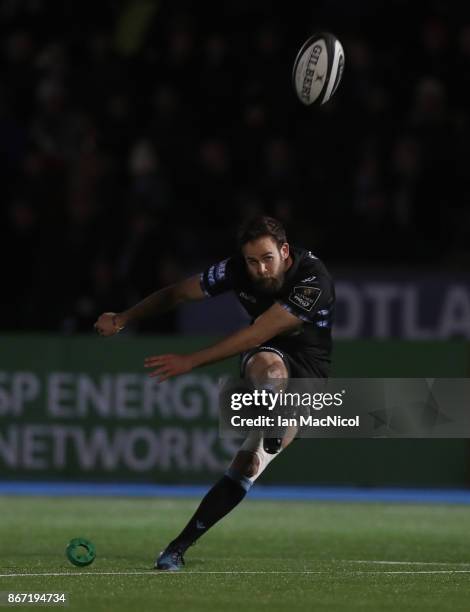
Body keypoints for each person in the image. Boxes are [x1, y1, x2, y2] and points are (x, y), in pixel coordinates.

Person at [94, 215, 335, 571]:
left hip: (311, 370)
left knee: (248, 465)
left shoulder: (313, 280)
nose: (260, 269)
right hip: (268, 354)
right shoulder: (236, 269)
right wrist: (124, 317)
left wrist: (191, 361)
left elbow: (255, 333)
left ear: (284, 251)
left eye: (267, 258)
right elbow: (177, 293)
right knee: (270, 370)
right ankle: (175, 551)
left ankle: (276, 414)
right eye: (252, 261)